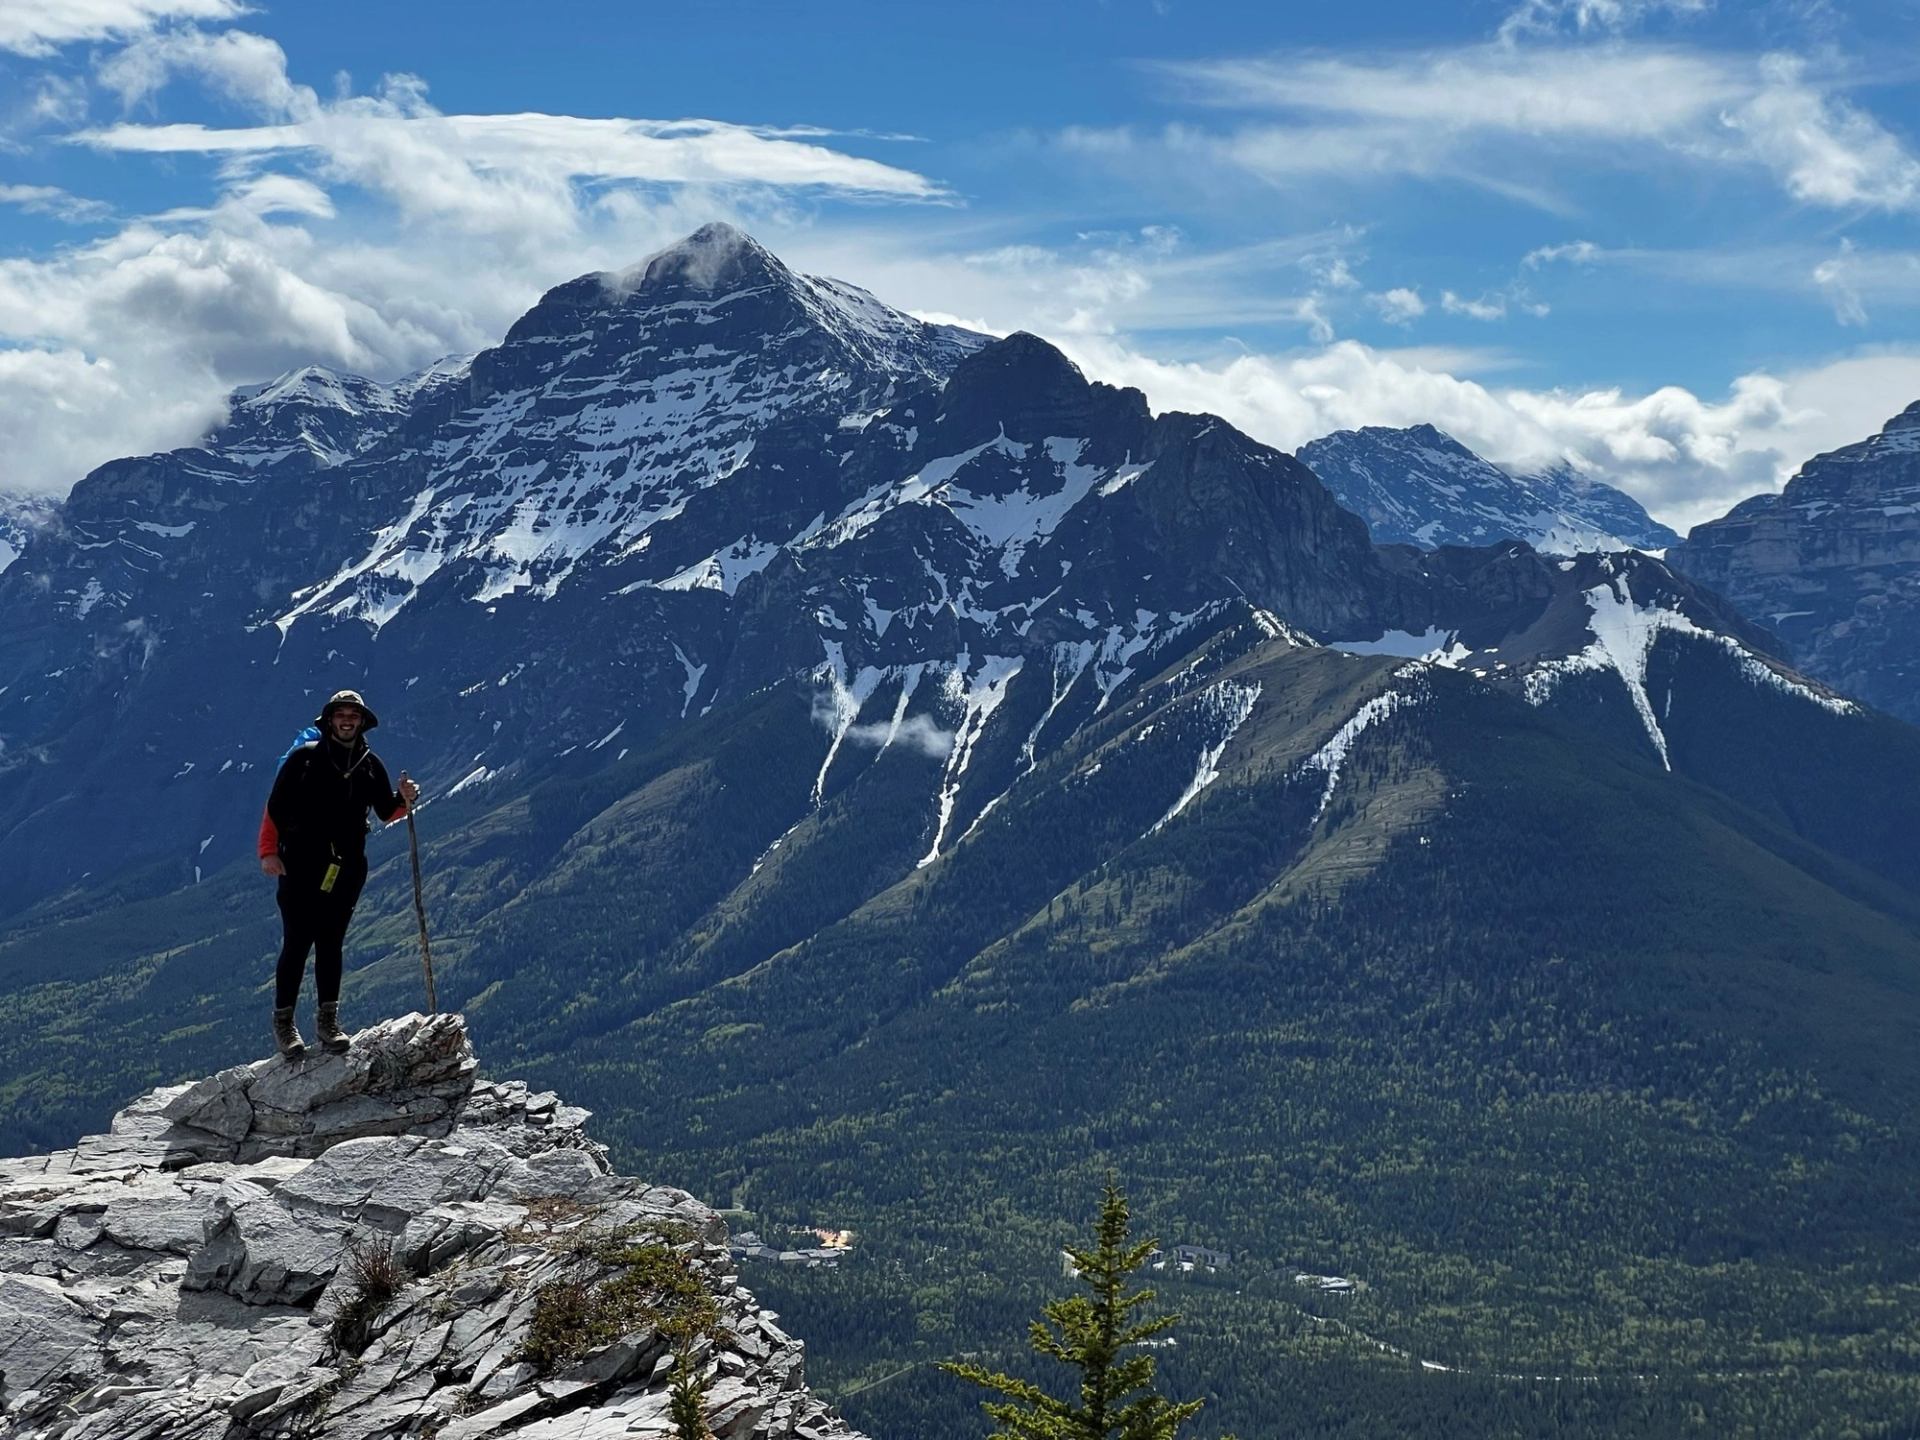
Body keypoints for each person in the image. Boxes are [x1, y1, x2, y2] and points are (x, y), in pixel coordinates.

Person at [259, 689, 420, 1058]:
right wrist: (273, 851)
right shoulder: (303, 760)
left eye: (353, 715)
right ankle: (285, 1025)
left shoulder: (369, 764)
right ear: (329, 720)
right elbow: (277, 807)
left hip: (347, 869)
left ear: (361, 722)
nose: (347, 720)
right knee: (297, 943)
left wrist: (405, 799)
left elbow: (385, 811)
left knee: (331, 943)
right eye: (341, 714)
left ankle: (327, 1023)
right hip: (300, 866)